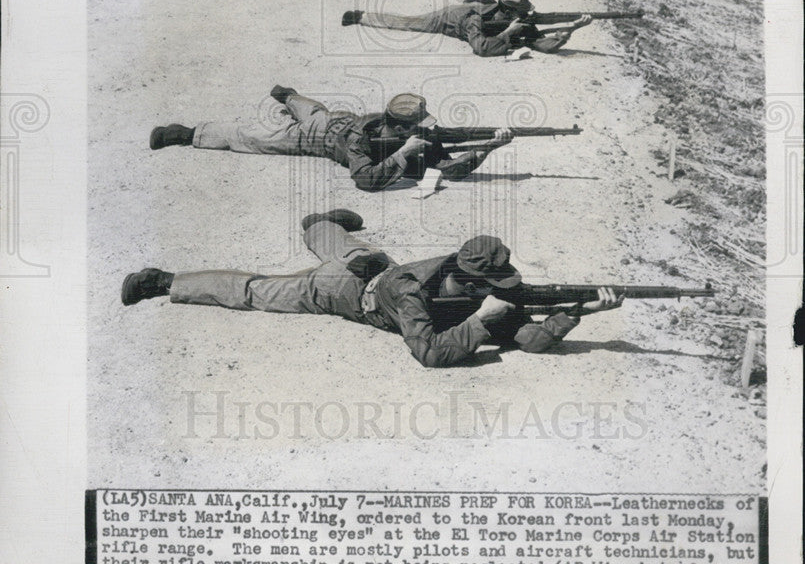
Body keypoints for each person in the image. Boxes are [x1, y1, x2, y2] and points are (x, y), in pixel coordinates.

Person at [121, 211, 624, 367]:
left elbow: (530, 340)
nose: (504, 293)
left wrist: (577, 313)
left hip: (373, 262)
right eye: (495, 287)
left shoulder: (479, 286)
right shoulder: (415, 292)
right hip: (342, 290)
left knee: (338, 240)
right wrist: (480, 321)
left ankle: (320, 223)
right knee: (261, 291)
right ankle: (166, 281)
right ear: (473, 280)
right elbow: (427, 353)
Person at [149, 90, 513, 193]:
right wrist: (403, 155)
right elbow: (364, 180)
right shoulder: (362, 141)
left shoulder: (405, 131)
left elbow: (451, 166)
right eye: (415, 128)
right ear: (400, 129)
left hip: (332, 115)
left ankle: (287, 96)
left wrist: (490, 144)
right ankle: (185, 133)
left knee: (305, 104)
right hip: (315, 136)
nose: (426, 131)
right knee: (252, 137)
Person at [341, 0, 591, 56]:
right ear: (511, 11)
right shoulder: (476, 21)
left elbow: (542, 45)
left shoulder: (519, 18)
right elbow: (480, 48)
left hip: (482, 6)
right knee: (410, 22)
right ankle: (361, 17)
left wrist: (571, 29)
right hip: (451, 17)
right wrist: (508, 34)